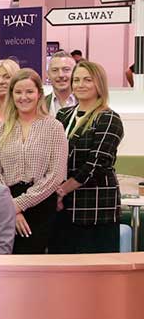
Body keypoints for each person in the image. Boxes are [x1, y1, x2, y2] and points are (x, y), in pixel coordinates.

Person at [0, 69, 67, 254]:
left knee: (34, 262)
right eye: (18, 92)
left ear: (39, 94)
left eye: (29, 91)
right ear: (12, 95)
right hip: (5, 201)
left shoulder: (54, 127)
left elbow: (56, 175)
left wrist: (19, 205)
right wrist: (10, 207)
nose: (24, 97)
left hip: (42, 203)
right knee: (5, 260)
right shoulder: (0, 129)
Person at [52, 61, 123, 254]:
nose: (80, 84)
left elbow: (96, 163)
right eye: (76, 80)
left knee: (95, 275)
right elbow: (52, 155)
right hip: (62, 208)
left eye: (87, 80)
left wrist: (61, 191)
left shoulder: (109, 118)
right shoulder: (63, 115)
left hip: (95, 209)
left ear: (99, 84)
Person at [44, 51, 78, 116]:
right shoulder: (38, 105)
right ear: (48, 74)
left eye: (66, 69)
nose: (60, 75)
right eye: (55, 70)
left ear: (75, 72)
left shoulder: (86, 103)